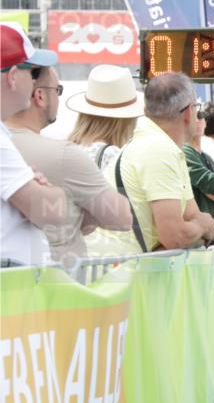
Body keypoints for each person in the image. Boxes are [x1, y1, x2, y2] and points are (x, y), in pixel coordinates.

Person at [6, 63, 132, 266]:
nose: (58, 98)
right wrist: (79, 213)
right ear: (40, 96)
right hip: (60, 276)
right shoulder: (64, 155)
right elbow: (122, 218)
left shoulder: (8, 145)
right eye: (58, 90)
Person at [119, 72, 214, 252]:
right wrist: (203, 227)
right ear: (188, 112)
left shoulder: (156, 144)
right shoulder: (159, 149)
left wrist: (196, 227)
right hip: (125, 268)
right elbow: (175, 236)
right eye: (197, 108)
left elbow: (190, 216)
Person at [0, 22, 67, 267]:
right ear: (12, 77)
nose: (34, 82)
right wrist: (48, 191)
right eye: (34, 73)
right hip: (9, 283)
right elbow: (51, 211)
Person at [66, 64, 145, 258]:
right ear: (125, 120)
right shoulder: (113, 155)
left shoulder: (67, 149)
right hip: (104, 254)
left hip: (66, 250)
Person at [184, 106, 214, 228]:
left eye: (200, 116)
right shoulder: (184, 152)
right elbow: (212, 185)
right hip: (196, 231)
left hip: (213, 231)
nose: (197, 120)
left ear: (205, 122)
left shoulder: (208, 158)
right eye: (193, 117)